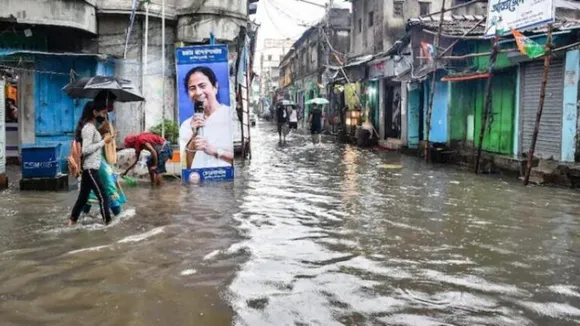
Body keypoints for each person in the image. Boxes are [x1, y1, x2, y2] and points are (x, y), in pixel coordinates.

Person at [68, 101, 115, 226]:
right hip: (90, 169)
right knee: (103, 197)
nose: (104, 115)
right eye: (103, 112)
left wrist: (105, 137)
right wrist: (103, 142)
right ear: (94, 113)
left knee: (83, 198)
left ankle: (71, 222)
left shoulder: (92, 128)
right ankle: (108, 224)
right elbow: (86, 150)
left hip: (91, 168)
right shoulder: (88, 128)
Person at [179, 66, 234, 170]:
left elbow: (242, 159)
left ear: (215, 87)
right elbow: (188, 166)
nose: (198, 92)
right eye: (192, 88)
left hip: (225, 182)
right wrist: (194, 136)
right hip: (198, 182)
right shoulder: (187, 125)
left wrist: (215, 151)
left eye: (202, 86)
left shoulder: (230, 115)